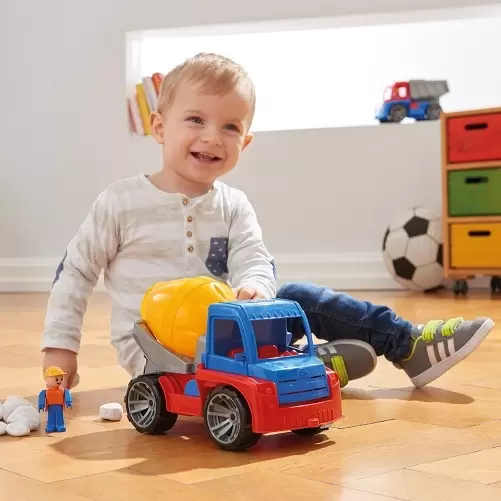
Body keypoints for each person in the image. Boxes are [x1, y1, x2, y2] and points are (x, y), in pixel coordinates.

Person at [40, 52, 494, 391]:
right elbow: (76, 272)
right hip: (157, 351)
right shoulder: (119, 202)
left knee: (298, 297)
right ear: (159, 127)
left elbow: (255, 259)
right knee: (221, 372)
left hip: (233, 333)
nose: (212, 137)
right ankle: (308, 367)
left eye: (230, 127)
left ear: (245, 141)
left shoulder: (234, 205)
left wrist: (255, 288)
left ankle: (407, 344)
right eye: (195, 119)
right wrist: (61, 348)